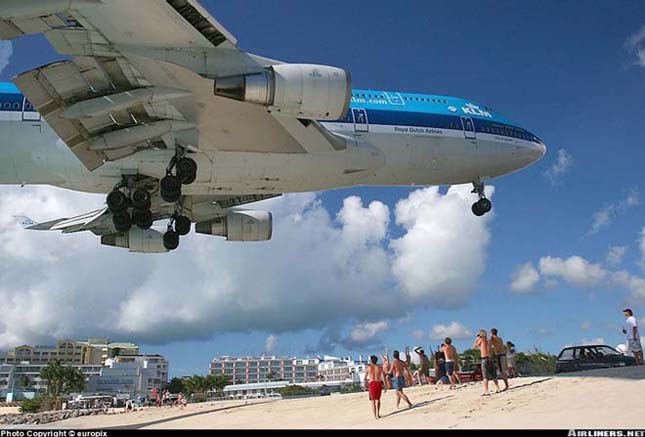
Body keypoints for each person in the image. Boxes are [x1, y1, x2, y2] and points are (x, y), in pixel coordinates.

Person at [473, 329, 501, 396]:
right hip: (490, 357)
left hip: (484, 358)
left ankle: (486, 390)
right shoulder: (488, 340)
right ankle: (498, 388)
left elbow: (474, 347)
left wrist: (476, 339)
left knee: (485, 375)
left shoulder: (481, 340)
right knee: (493, 374)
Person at [364, 355, 386, 420]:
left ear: (371, 360)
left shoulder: (368, 368)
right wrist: (385, 385)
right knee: (378, 400)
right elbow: (383, 377)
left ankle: (374, 416)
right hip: (378, 383)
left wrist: (365, 385)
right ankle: (378, 414)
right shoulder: (379, 368)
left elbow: (365, 378)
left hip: (372, 383)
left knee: (373, 401)